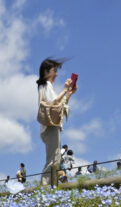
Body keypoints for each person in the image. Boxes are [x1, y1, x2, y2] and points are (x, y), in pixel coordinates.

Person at [36, 57, 77, 185]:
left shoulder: (47, 86)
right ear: (46, 72)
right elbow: (54, 103)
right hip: (50, 127)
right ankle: (46, 189)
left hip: (51, 127)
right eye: (54, 70)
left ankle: (50, 187)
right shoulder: (45, 85)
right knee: (52, 159)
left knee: (56, 158)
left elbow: (58, 107)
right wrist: (65, 90)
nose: (57, 74)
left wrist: (69, 94)